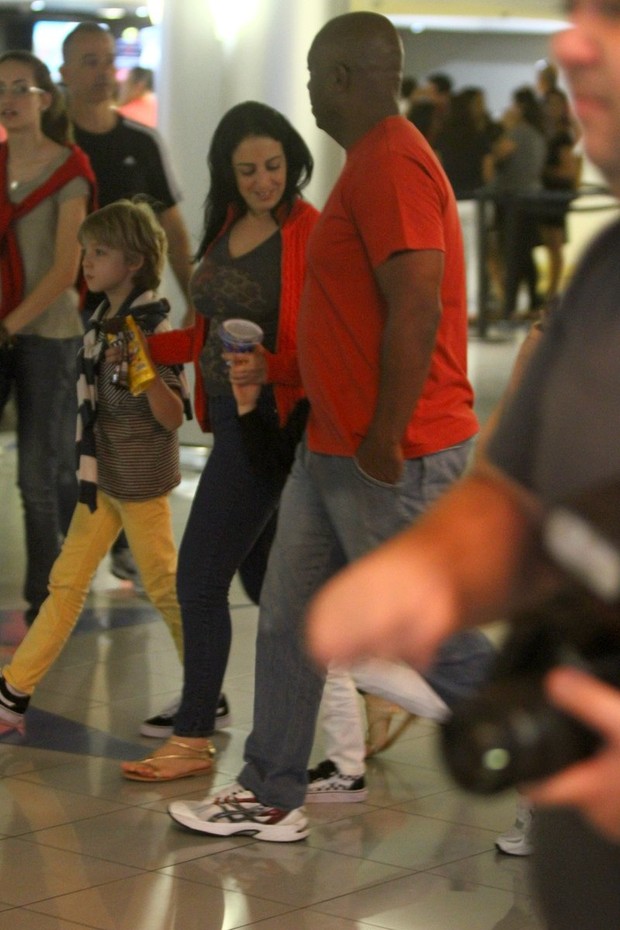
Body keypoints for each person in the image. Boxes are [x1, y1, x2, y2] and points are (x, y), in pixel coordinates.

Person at [305, 1, 620, 923]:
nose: (569, 44)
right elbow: (522, 506)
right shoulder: (604, 277)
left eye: (608, 16)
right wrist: (428, 573)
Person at [166, 11, 480, 841]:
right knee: (289, 617)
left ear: (345, 75)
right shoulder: (367, 164)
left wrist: (383, 433)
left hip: (390, 451)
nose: (305, 88)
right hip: (330, 444)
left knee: (430, 636)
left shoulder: (391, 164)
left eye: (312, 73)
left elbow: (418, 301)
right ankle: (270, 788)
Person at [120, 101, 319, 781]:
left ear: (293, 160)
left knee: (199, 581)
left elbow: (318, 346)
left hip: (266, 431)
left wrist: (272, 368)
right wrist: (148, 344)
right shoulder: (231, 224)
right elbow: (209, 331)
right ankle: (367, 694)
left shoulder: (309, 234)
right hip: (228, 419)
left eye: (274, 166)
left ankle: (194, 735)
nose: (266, 180)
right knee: (267, 587)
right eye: (248, 170)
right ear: (227, 176)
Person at [0, 199, 194, 743]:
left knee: (162, 585)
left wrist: (144, 372)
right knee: (67, 581)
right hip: (103, 476)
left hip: (138, 479)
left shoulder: (150, 324)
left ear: (133, 260)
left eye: (100, 252)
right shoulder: (106, 319)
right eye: (86, 250)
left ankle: (205, 693)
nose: (86, 262)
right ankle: (14, 692)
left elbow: (174, 413)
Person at [60, 21, 195, 585]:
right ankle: (78, 541)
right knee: (70, 430)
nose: (101, 70)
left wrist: (192, 297)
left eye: (107, 59)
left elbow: (172, 226)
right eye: (88, 60)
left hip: (129, 318)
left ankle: (122, 540)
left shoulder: (139, 142)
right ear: (65, 72)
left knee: (131, 425)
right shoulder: (55, 146)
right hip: (65, 314)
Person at [0, 50, 95, 626]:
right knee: (41, 468)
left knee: (40, 471)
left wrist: (9, 326)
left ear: (44, 99)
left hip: (48, 335)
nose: (9, 99)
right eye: (1, 89)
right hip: (5, 329)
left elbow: (67, 268)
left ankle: (46, 596)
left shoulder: (69, 169)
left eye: (20, 88)